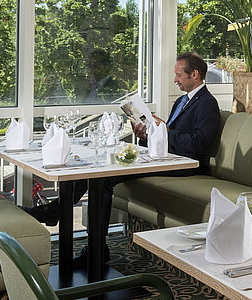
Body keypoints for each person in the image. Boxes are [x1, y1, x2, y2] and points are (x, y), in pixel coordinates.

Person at [24, 52, 220, 267]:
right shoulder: (182, 101)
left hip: (185, 165)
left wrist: (162, 129)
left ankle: (83, 238)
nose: (175, 80)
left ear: (194, 74)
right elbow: (169, 137)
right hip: (165, 157)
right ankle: (84, 237)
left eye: (178, 75)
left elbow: (198, 144)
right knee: (96, 170)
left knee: (105, 178)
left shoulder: (207, 103)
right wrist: (146, 134)